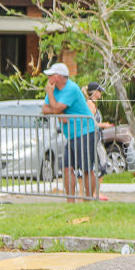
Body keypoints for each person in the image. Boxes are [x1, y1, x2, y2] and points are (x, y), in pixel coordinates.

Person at [40, 63, 96, 203]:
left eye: (51, 75)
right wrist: (60, 112)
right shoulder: (55, 90)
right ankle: (70, 202)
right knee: (66, 168)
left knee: (86, 169)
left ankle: (88, 201)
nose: (48, 78)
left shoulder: (70, 88)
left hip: (84, 132)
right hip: (71, 135)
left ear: (58, 77)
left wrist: (53, 100)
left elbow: (56, 107)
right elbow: (45, 109)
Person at [83, 81, 111, 201]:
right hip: (93, 139)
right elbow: (90, 122)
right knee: (102, 164)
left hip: (97, 138)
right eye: (99, 91)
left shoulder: (93, 103)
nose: (100, 94)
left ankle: (95, 191)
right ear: (93, 92)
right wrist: (103, 125)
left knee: (100, 164)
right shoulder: (90, 104)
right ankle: (95, 192)